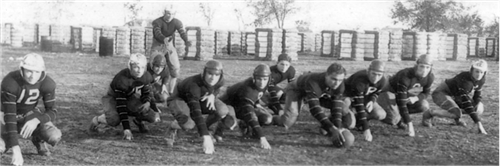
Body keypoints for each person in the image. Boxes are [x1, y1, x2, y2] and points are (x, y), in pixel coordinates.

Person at [0, 53, 62, 166]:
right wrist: (16, 149)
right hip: (4, 115)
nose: (32, 76)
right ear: (22, 69)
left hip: (28, 114)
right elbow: (9, 116)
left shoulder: (47, 83)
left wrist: (36, 120)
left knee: (54, 135)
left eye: (37, 72)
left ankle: (38, 138)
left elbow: (52, 111)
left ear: (42, 72)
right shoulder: (10, 82)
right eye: (29, 71)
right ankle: (7, 140)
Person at [273, 63, 353, 147]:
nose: (337, 83)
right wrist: (332, 128)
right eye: (334, 79)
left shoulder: (340, 85)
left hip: (320, 94)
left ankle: (325, 126)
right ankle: (274, 117)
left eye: (340, 80)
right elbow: (315, 109)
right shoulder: (314, 81)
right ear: (326, 75)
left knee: (343, 105)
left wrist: (337, 128)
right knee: (287, 122)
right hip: (297, 90)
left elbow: (336, 106)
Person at [166, 60, 236, 154]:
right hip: (179, 99)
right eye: (210, 74)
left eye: (216, 75)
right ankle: (174, 126)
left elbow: (216, 87)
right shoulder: (194, 85)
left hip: (200, 98)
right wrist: (206, 137)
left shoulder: (220, 81)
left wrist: (212, 94)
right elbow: (196, 111)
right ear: (204, 73)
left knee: (222, 110)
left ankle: (205, 129)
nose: (213, 78)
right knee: (188, 124)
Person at [89, 53, 161, 139]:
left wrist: (147, 102)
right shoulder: (122, 79)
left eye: (142, 67)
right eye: (136, 67)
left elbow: (147, 91)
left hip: (129, 97)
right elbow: (121, 105)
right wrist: (127, 129)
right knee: (114, 119)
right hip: (113, 98)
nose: (139, 71)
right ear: (130, 67)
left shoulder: (146, 76)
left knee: (152, 116)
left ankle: (138, 121)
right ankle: (97, 120)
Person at [422, 59, 488, 134]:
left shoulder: (481, 79)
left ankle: (457, 119)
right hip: (441, 93)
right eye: (477, 71)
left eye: (481, 72)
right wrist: (478, 123)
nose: (479, 74)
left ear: (484, 73)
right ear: (472, 70)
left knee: (478, 107)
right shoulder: (466, 81)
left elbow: (477, 96)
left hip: (455, 95)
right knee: (457, 112)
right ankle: (430, 113)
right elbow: (466, 103)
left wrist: (476, 106)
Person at [218, 64, 273, 150]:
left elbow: (256, 95)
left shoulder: (264, 84)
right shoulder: (248, 90)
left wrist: (257, 103)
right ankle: (217, 131)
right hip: (228, 105)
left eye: (265, 79)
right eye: (259, 79)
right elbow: (250, 114)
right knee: (231, 123)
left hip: (241, 107)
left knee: (267, 118)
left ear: (269, 79)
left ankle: (247, 127)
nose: (262, 82)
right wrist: (262, 138)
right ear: (254, 78)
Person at [378, 54, 434, 137]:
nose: (424, 70)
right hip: (388, 91)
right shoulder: (405, 75)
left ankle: (399, 115)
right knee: (393, 119)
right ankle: (384, 111)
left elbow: (426, 93)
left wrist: (416, 98)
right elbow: (401, 102)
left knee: (424, 105)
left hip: (400, 94)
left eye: (427, 67)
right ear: (416, 66)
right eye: (421, 66)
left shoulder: (430, 77)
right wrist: (410, 125)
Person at [343, 59, 387, 142]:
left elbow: (376, 92)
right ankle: (335, 118)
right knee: (350, 124)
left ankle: (359, 121)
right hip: (348, 98)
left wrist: (372, 100)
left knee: (381, 114)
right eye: (373, 74)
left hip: (363, 99)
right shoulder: (360, 80)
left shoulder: (383, 81)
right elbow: (359, 105)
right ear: (368, 71)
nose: (376, 78)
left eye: (379, 75)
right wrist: (366, 129)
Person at [151, 8, 192, 97]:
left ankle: (171, 92)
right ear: (164, 13)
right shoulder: (157, 21)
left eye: (172, 14)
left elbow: (182, 31)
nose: (170, 16)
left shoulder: (176, 22)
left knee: (175, 68)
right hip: (158, 44)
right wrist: (163, 38)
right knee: (155, 66)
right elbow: (157, 32)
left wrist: (186, 40)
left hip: (169, 44)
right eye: (168, 13)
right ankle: (152, 91)